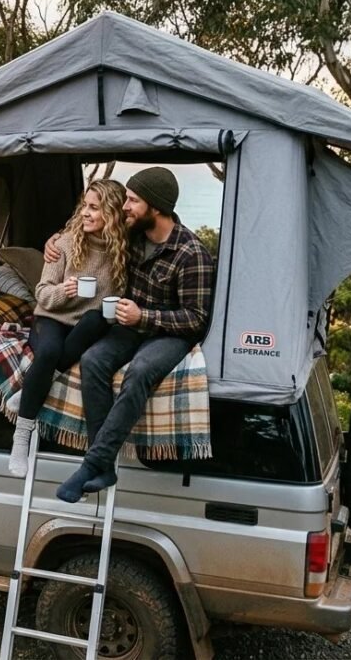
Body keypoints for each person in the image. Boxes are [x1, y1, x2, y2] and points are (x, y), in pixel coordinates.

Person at [45, 167, 215, 502]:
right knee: (93, 360)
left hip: (169, 334)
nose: (125, 206)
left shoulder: (191, 253)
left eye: (133, 200)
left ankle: (93, 463)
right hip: (130, 327)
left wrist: (144, 316)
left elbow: (197, 319)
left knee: (138, 372)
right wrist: (53, 241)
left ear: (156, 207)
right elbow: (86, 224)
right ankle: (103, 469)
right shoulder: (132, 232)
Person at [4, 179, 127, 476]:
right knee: (48, 352)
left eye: (94, 208)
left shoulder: (122, 252)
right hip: (51, 317)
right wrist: (64, 291)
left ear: (111, 214)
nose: (85, 213)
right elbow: (42, 293)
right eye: (84, 206)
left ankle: (36, 386)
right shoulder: (64, 244)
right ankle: (21, 436)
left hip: (86, 326)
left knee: (95, 318)